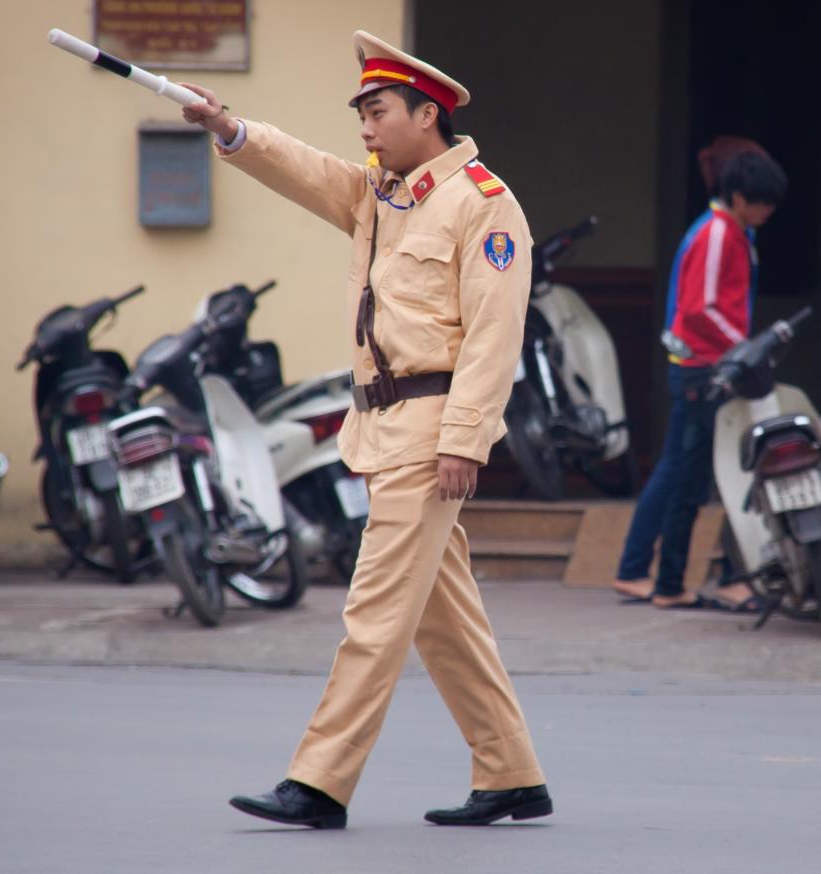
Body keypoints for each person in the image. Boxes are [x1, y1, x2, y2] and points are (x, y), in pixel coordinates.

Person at [177, 30, 550, 829]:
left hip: (431, 426)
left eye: (378, 112)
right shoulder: (384, 195)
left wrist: (465, 440)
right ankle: (512, 771)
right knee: (443, 617)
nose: (366, 129)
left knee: (375, 612)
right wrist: (229, 128)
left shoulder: (484, 202)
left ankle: (318, 781)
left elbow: (494, 335)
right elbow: (308, 170)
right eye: (363, 115)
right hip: (383, 425)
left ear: (427, 113)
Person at [612, 141, 788, 611]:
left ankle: (661, 577)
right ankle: (692, 577)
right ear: (737, 196)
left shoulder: (729, 232)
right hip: (704, 372)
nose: (768, 211)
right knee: (703, 476)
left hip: (706, 368)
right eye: (763, 202)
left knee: (687, 476)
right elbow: (702, 308)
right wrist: (748, 349)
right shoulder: (718, 234)